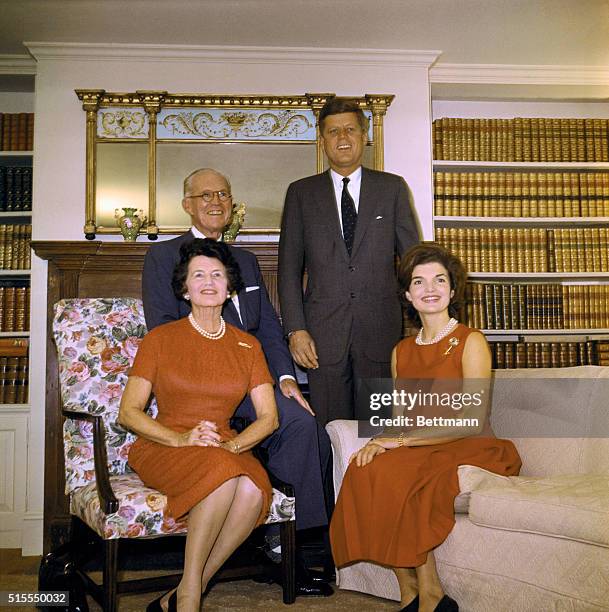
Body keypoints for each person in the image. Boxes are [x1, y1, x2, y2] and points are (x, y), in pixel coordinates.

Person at [142, 168, 333, 596]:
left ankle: (293, 547)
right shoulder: (162, 257)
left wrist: (285, 377)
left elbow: (267, 326)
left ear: (232, 204)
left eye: (223, 194)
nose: (215, 201)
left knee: (305, 427)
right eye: (204, 194)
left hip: (251, 383)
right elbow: (162, 327)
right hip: (199, 390)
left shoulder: (245, 261)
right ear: (187, 204)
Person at [329, 244, 522, 612]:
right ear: (407, 294)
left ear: (452, 290)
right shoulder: (401, 350)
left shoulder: (471, 340)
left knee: (401, 474)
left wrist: (399, 443)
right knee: (362, 466)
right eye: (418, 282)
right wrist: (382, 441)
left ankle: (431, 592)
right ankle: (410, 592)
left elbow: (471, 419)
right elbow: (403, 417)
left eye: (439, 280)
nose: (429, 288)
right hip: (421, 442)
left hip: (469, 442)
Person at [120, 239, 278, 612]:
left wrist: (233, 447)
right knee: (225, 476)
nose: (209, 282)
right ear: (184, 287)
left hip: (223, 446)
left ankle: (185, 590)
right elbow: (129, 412)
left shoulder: (248, 345)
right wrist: (179, 439)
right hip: (165, 443)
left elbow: (269, 417)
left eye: (218, 275)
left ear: (230, 287)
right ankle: (190, 599)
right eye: (199, 275)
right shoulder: (160, 339)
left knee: (253, 488)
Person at [278, 96, 420, 425]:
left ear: (364, 134)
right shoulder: (301, 193)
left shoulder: (392, 188)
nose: (342, 138)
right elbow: (288, 270)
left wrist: (424, 322)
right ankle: (335, 481)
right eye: (333, 132)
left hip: (380, 332)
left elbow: (413, 261)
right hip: (321, 337)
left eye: (350, 129)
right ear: (322, 139)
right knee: (331, 431)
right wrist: (296, 330)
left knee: (379, 429)